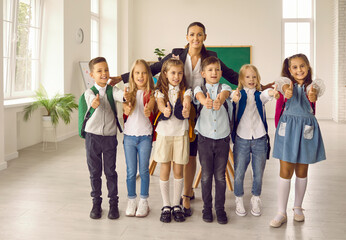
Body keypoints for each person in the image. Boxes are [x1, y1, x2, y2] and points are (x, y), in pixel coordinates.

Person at [110, 22, 241, 216]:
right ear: (186, 37)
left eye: (199, 35)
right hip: (178, 106)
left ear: (205, 36)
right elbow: (152, 68)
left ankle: (186, 195)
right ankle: (176, 198)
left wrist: (254, 83)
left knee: (191, 153)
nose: (195, 38)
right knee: (181, 153)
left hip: (201, 107)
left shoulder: (211, 57)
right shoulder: (176, 55)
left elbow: (229, 73)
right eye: (192, 34)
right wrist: (121, 78)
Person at [270, 53, 326, 228]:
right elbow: (284, 91)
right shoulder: (285, 84)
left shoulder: (313, 86)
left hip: (306, 131)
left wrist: (313, 96)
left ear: (308, 67)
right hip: (288, 130)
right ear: (289, 70)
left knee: (302, 170)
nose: (299, 70)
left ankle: (298, 207)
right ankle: (281, 212)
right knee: (285, 171)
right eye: (294, 67)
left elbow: (314, 95)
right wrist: (287, 92)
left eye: (302, 66)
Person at [231, 64, 280, 218]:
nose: (251, 79)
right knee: (239, 172)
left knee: (258, 173)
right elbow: (233, 100)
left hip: (260, 138)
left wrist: (273, 92)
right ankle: (238, 198)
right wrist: (234, 98)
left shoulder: (260, 95)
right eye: (247, 77)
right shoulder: (238, 95)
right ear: (241, 79)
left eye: (254, 77)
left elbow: (267, 94)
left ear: (258, 78)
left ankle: (256, 198)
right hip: (241, 139)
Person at [80, 57, 125, 220]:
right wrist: (94, 103)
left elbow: (123, 96)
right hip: (92, 137)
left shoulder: (113, 90)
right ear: (92, 74)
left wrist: (128, 96)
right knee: (95, 172)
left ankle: (114, 204)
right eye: (99, 71)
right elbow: (91, 101)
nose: (104, 73)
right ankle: (96, 203)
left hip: (109, 138)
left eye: (106, 70)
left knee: (110, 171)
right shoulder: (89, 92)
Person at [194, 56, 234, 224]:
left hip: (222, 139)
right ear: (203, 73)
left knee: (220, 176)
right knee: (206, 176)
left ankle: (220, 208)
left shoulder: (224, 87)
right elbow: (198, 95)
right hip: (204, 139)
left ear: (221, 72)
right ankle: (207, 208)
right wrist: (205, 101)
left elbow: (225, 93)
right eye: (210, 70)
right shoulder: (199, 88)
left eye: (217, 70)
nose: (214, 72)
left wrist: (219, 99)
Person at [153, 58, 191, 223]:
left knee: (178, 170)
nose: (176, 76)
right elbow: (160, 103)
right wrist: (164, 110)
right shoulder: (160, 91)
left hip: (180, 134)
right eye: (173, 73)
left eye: (179, 73)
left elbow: (188, 102)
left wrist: (186, 108)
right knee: (165, 168)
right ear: (166, 74)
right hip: (164, 134)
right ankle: (166, 204)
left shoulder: (186, 91)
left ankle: (177, 204)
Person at [122, 59, 155, 217]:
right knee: (130, 171)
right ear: (132, 75)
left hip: (145, 137)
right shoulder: (128, 93)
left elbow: (152, 107)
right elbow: (125, 108)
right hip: (129, 137)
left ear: (148, 75)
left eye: (143, 72)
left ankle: (144, 201)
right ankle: (131, 200)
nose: (140, 76)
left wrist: (149, 110)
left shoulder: (152, 94)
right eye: (137, 73)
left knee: (143, 171)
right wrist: (127, 106)